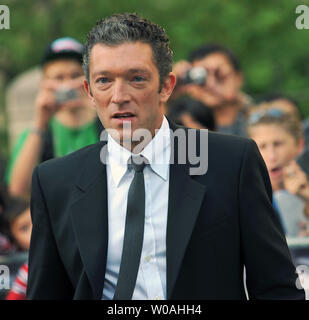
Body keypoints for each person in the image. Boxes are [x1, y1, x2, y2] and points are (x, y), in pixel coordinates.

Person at [27, 13, 304, 300]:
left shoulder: (232, 162)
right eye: (104, 81)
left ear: (167, 86)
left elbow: (277, 288)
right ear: (89, 91)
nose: (119, 95)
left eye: (136, 78)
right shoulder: (54, 183)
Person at [5, 37, 103, 198]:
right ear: (44, 83)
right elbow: (17, 190)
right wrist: (40, 122)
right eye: (59, 78)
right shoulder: (37, 133)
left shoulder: (107, 124)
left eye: (75, 76)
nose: (68, 85)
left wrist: (99, 106)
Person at [247, 107, 309, 238]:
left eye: (278, 144)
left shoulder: (304, 191)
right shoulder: (244, 196)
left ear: (299, 145)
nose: (272, 156)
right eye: (262, 146)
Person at [172, 44, 252, 137]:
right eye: (202, 77)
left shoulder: (260, 119)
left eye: (220, 75)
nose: (211, 83)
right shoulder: (181, 125)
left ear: (239, 78)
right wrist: (166, 88)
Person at [1, 197, 31, 300]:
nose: (34, 229)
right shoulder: (28, 269)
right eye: (24, 228)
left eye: (36, 220)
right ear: (14, 239)